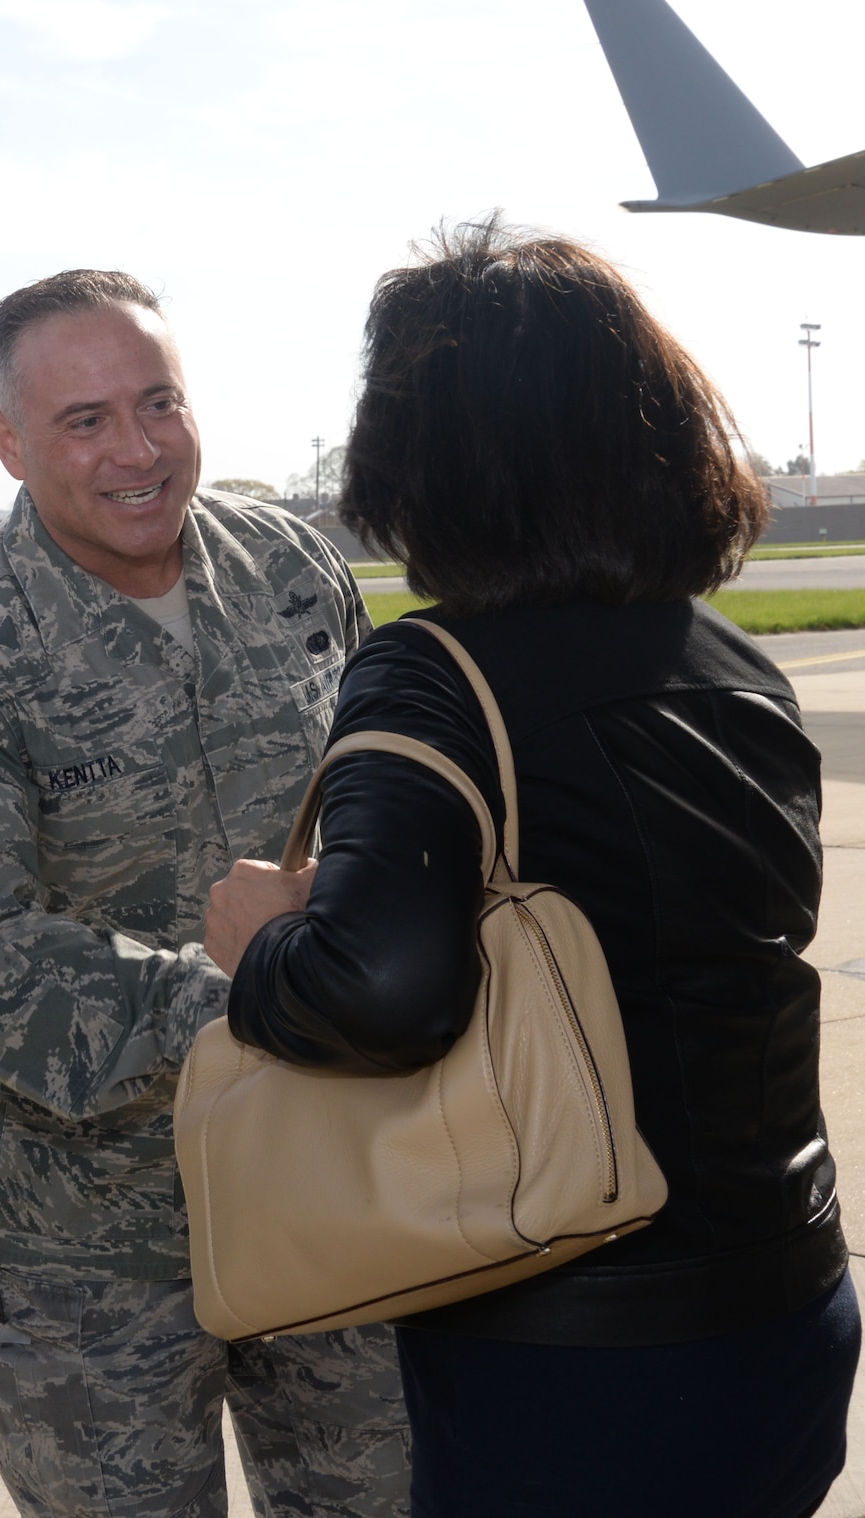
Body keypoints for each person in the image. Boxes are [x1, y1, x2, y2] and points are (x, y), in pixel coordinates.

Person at [205, 219, 856, 1518]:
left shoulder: (433, 673)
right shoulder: (735, 665)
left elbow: (384, 983)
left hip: (575, 1340)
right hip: (785, 1295)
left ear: (425, 460)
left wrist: (266, 941)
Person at [0, 269, 408, 1518]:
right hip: (90, 1250)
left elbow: (381, 786)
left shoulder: (287, 568)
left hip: (332, 1187)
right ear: (7, 442)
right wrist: (261, 991)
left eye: (156, 403)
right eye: (85, 420)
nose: (136, 450)